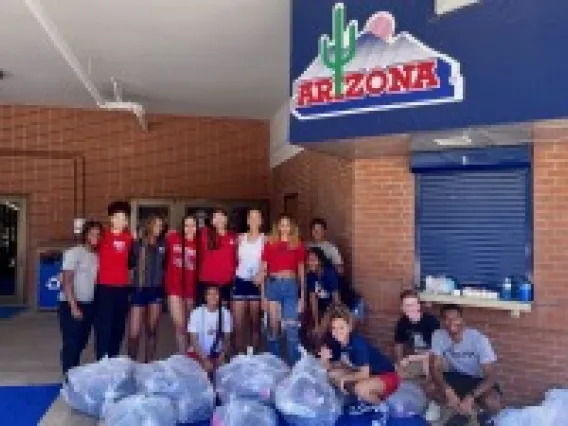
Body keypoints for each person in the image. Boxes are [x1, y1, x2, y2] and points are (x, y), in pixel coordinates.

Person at [427, 304, 502, 425]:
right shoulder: (438, 335)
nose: (451, 322)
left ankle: (475, 411)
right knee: (430, 387)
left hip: (478, 380)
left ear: (462, 320)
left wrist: (471, 396)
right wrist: (447, 390)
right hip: (457, 376)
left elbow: (491, 376)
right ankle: (456, 409)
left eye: (455, 318)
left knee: (493, 403)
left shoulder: (479, 339)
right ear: (442, 321)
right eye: (447, 318)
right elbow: (434, 368)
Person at [319, 305, 400, 414]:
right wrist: (325, 359)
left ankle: (383, 408)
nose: (337, 332)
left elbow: (364, 374)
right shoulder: (336, 342)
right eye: (334, 328)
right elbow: (331, 368)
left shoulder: (357, 342)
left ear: (349, 327)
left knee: (360, 388)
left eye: (341, 327)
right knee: (333, 374)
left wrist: (344, 379)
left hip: (387, 376)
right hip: (367, 375)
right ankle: (362, 400)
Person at [259, 214, 306, 365]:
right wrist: (263, 296)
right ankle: (276, 363)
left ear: (291, 227)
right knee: (274, 327)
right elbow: (263, 270)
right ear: (277, 227)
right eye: (282, 224)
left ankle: (293, 363)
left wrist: (302, 297)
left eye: (287, 224)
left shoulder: (297, 244)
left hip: (291, 285)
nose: (284, 227)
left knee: (292, 325)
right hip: (273, 285)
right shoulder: (270, 244)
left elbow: (301, 271)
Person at [58, 221, 102, 375]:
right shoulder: (74, 253)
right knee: (72, 343)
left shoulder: (97, 256)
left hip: (89, 304)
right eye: (92, 234)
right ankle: (69, 376)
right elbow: (66, 281)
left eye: (98, 234)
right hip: (70, 304)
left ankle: (71, 368)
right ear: (85, 235)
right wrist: (74, 306)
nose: (95, 237)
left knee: (82, 342)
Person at [94, 201, 134, 360]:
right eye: (117, 217)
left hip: (122, 289)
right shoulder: (102, 236)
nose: (120, 221)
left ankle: (113, 361)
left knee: (118, 328)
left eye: (124, 218)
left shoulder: (130, 239)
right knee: (104, 328)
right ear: (111, 219)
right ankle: (102, 363)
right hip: (104, 288)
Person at [127, 216, 166, 362]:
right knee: (134, 333)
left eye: (161, 225)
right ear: (149, 225)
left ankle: (149, 365)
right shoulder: (137, 244)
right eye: (156, 224)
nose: (159, 227)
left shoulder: (163, 244)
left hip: (155, 291)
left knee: (152, 331)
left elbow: (165, 266)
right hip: (139, 290)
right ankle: (132, 365)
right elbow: (129, 265)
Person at [165, 214, 198, 354]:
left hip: (191, 290)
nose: (189, 228)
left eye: (192, 225)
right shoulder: (173, 239)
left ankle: (191, 355)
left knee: (191, 327)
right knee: (180, 326)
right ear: (182, 227)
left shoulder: (201, 243)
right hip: (174, 288)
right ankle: (183, 357)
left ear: (197, 227)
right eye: (187, 225)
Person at [232, 208, 264, 354]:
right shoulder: (240, 238)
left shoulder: (266, 239)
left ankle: (253, 357)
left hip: (256, 283)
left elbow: (270, 261)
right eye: (251, 217)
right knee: (238, 324)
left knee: (255, 323)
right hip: (240, 281)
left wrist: (263, 273)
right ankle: (239, 356)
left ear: (261, 221)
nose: (254, 220)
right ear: (247, 221)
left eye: (257, 217)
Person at [394, 289, 440, 376]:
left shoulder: (431, 321)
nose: (409, 308)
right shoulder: (402, 322)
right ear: (402, 307)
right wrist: (399, 362)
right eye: (406, 305)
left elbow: (437, 350)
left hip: (433, 358)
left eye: (412, 305)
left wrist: (410, 358)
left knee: (428, 365)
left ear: (418, 306)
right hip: (415, 359)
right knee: (396, 373)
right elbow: (398, 344)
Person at [188, 285, 232, 374]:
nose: (213, 297)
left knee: (224, 374)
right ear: (205, 297)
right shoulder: (196, 313)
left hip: (217, 354)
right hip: (199, 353)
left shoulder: (225, 313)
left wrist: (222, 356)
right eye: (210, 294)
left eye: (216, 294)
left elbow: (227, 339)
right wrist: (204, 359)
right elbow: (193, 340)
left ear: (220, 297)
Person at [198, 208, 237, 305]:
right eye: (215, 217)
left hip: (226, 283)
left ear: (226, 219)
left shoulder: (233, 236)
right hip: (207, 282)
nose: (219, 219)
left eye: (221, 216)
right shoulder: (204, 233)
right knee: (207, 315)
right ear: (211, 221)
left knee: (224, 315)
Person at [306, 247, 340, 331]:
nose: (310, 263)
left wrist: (330, 318)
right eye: (308, 260)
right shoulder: (311, 276)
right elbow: (313, 301)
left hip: (346, 306)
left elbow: (337, 301)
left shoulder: (330, 273)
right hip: (325, 307)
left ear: (320, 261)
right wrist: (316, 323)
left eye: (313, 260)